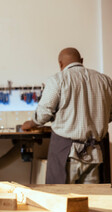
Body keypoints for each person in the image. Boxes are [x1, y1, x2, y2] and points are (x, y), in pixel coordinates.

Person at [22, 47, 112, 184]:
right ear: (81, 61)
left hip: (67, 153)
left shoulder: (58, 80)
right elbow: (109, 115)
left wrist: (31, 123)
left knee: (63, 199)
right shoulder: (104, 80)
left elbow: (44, 114)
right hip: (95, 154)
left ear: (60, 63)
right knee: (92, 201)